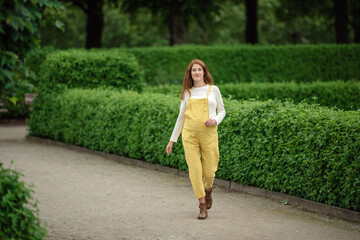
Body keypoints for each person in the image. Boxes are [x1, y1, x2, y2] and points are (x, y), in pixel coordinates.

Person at [166, 59, 226, 220]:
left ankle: (208, 190)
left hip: (209, 135)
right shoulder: (187, 93)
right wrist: (172, 140)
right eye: (194, 70)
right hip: (189, 136)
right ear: (190, 74)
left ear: (204, 72)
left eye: (199, 69)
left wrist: (215, 120)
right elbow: (181, 118)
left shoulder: (214, 90)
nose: (197, 72)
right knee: (195, 170)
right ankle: (202, 206)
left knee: (209, 171)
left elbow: (222, 111)